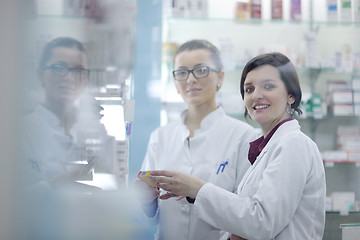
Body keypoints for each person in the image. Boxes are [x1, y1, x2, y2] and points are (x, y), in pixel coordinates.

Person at [150, 52, 326, 240]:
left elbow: (261, 223)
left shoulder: (293, 144)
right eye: (249, 89)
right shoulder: (269, 147)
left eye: (268, 86)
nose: (256, 95)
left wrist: (198, 189)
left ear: (291, 95)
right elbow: (245, 220)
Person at [136, 39, 258, 240]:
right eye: (182, 73)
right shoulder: (160, 137)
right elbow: (148, 218)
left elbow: (248, 215)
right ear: (175, 82)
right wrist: (147, 201)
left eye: (200, 70)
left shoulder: (244, 137)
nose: (190, 80)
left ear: (220, 77)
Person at [21, 37, 106, 190]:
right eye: (59, 68)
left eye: (78, 71)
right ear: (40, 74)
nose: (69, 77)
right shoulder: (20, 131)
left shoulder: (94, 133)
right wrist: (53, 186)